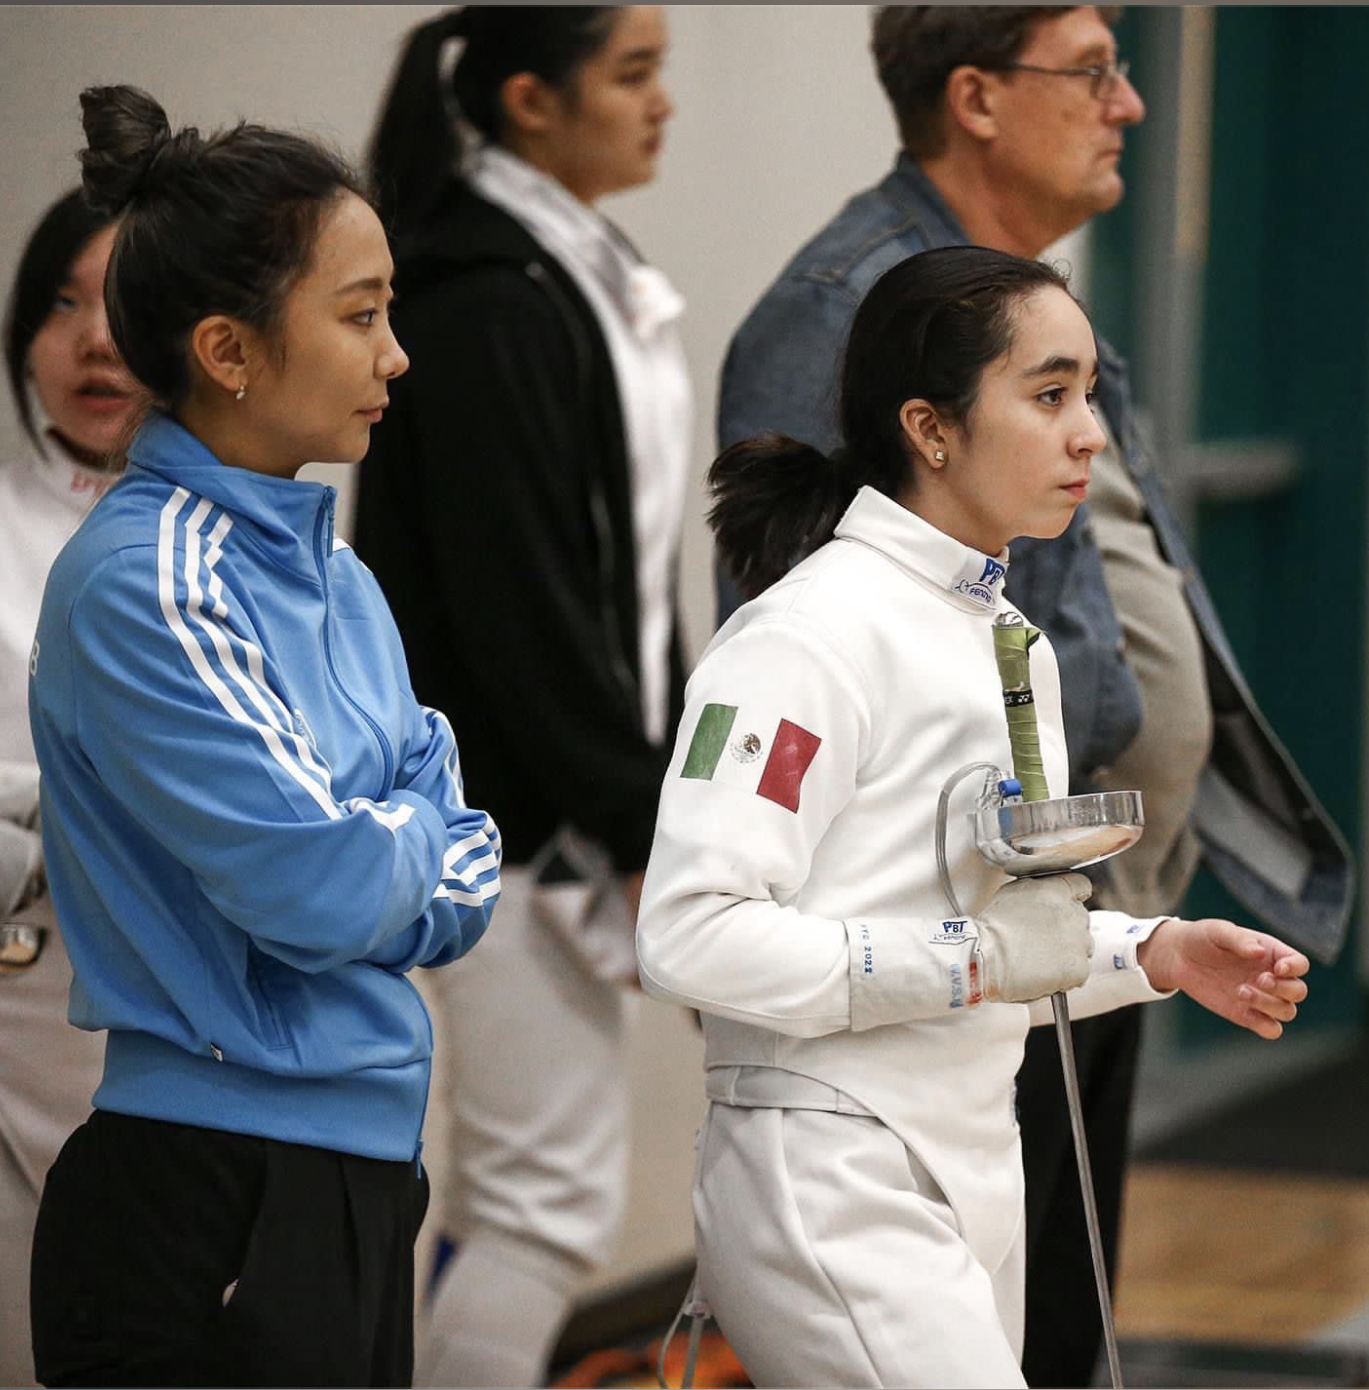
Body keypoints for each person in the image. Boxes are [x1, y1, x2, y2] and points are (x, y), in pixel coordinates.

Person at [714, 8, 1352, 1384]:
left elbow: (989, 908)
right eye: (1093, 69)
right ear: (924, 427)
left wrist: (1147, 948)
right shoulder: (811, 624)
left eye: (1083, 395)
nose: (1127, 104)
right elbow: (709, 923)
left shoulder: (985, 626)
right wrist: (980, 959)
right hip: (848, 1127)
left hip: (979, 1076)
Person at [26, 84, 502, 1389]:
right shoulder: (148, 579)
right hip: (205, 1188)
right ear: (230, 352)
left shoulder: (333, 573)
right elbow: (323, 883)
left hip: (350, 1169)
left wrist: (407, 843)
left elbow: (459, 861)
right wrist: (411, 839)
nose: (395, 353)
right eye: (359, 316)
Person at [353, 8, 689, 1387]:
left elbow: (628, 579)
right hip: (504, 815)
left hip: (548, 804)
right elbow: (520, 602)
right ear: (528, 103)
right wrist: (633, 811)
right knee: (541, 1206)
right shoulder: (486, 291)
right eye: (632, 73)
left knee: (526, 1194)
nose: (663, 102)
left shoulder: (570, 266)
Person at [0, 189, 138, 1390]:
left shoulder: (290, 551)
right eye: (60, 302)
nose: (93, 338)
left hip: (194, 1036)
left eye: (121, 302)